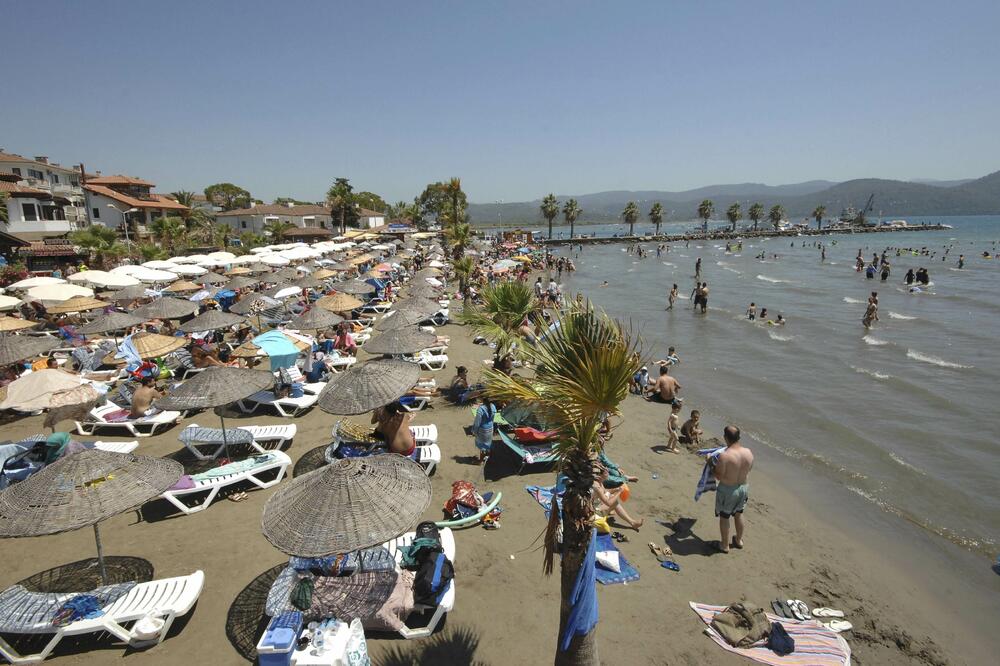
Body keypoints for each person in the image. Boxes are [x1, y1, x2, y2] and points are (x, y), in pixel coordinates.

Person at [713, 425, 754, 553]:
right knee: (739, 513)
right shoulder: (748, 452)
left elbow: (718, 476)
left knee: (725, 517)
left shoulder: (725, 456)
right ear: (739, 437)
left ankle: (725, 545)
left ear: (725, 438)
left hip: (728, 490)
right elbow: (749, 469)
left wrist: (710, 463)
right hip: (743, 487)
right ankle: (739, 540)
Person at [592, 465, 643, 530]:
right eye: (606, 472)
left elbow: (606, 492)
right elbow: (608, 503)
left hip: (596, 504)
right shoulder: (597, 486)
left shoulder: (599, 482)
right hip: (592, 513)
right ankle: (632, 523)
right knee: (614, 502)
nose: (608, 473)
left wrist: (616, 489)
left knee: (612, 497)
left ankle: (632, 522)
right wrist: (619, 491)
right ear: (600, 475)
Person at [472, 395, 497, 462]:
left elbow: (477, 422)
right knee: (488, 444)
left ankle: (480, 461)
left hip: (482, 430)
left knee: (482, 446)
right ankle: (488, 457)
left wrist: (474, 431)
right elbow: (493, 419)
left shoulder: (481, 409)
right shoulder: (493, 406)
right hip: (490, 428)